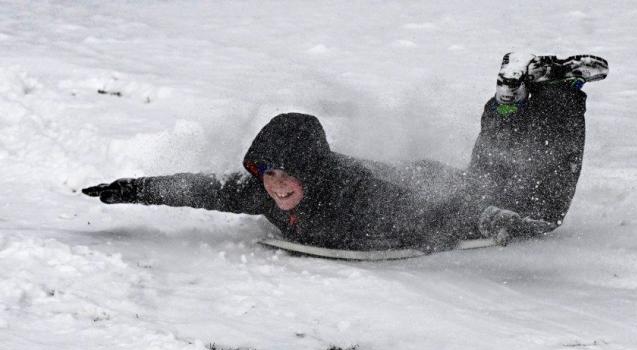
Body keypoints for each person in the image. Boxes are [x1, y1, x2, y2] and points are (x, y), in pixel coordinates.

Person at [83, 52, 608, 251]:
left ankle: (559, 92)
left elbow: (418, 215)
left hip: (438, 195)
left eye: (288, 177)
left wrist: (462, 226)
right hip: (421, 182)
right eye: (270, 177)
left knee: (538, 210)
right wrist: (130, 189)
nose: (279, 188)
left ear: (311, 171)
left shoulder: (354, 196)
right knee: (500, 171)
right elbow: (199, 189)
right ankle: (515, 99)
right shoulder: (261, 192)